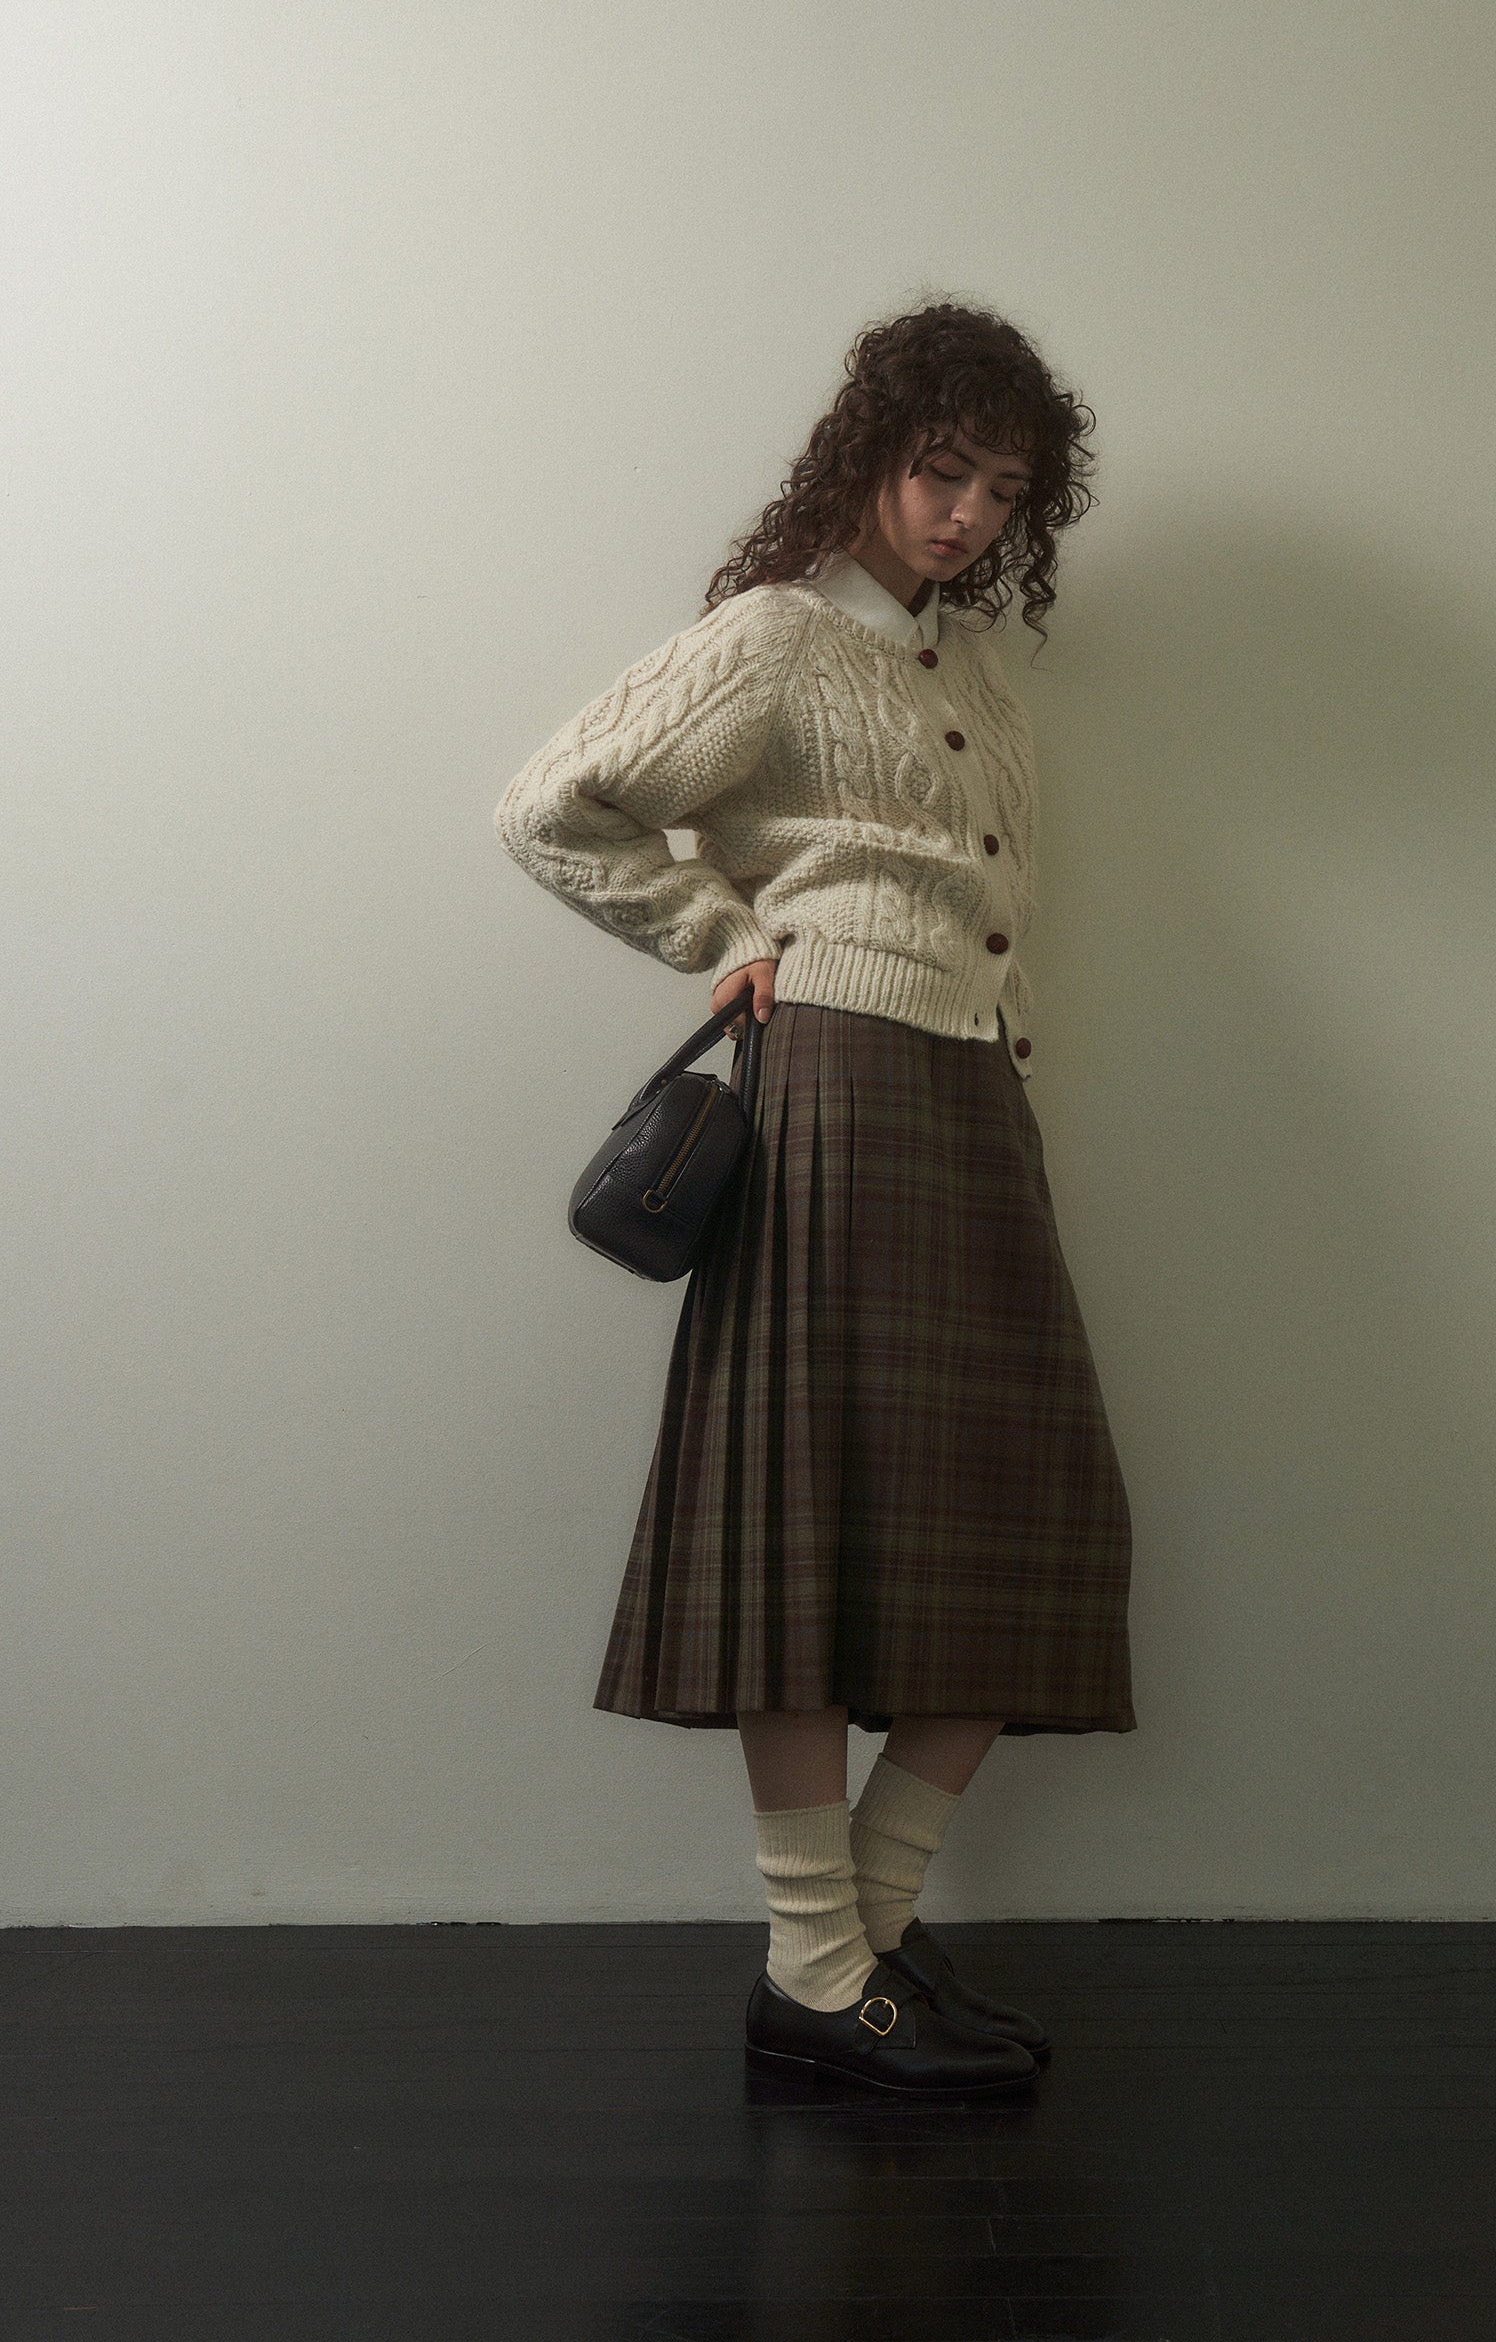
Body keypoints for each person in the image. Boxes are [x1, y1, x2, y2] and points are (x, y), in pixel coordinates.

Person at [494, 297, 1135, 2096]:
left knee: (1035, 1513)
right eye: (942, 472)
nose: (966, 516)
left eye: (1002, 492)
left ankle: (855, 1940)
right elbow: (553, 806)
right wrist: (721, 933)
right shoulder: (777, 638)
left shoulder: (972, 677)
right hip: (837, 1081)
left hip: (971, 1094)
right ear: (869, 457)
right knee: (804, 1510)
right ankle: (819, 1963)